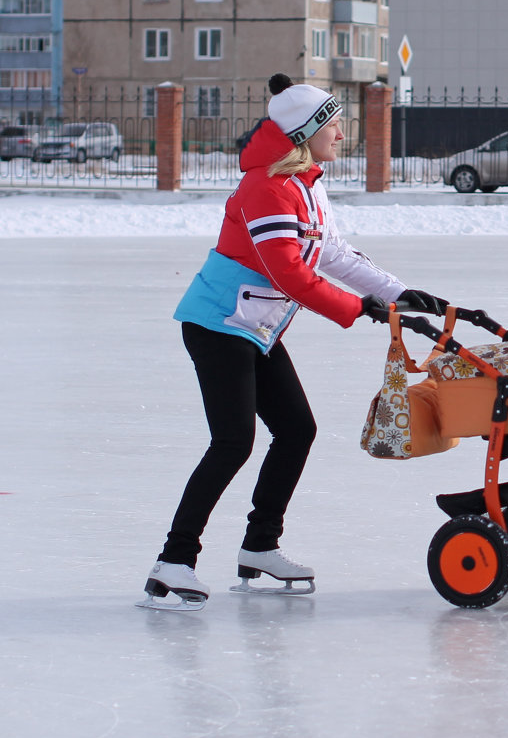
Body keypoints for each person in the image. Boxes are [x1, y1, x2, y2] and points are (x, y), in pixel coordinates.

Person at [139, 73, 446, 611]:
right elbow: (288, 274)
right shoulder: (266, 187)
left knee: (297, 430)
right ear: (307, 132)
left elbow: (331, 253)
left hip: (254, 327)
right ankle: (174, 560)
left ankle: (260, 546)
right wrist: (361, 309)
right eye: (334, 125)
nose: (343, 135)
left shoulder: (305, 184)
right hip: (218, 324)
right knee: (232, 442)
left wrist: (399, 294)